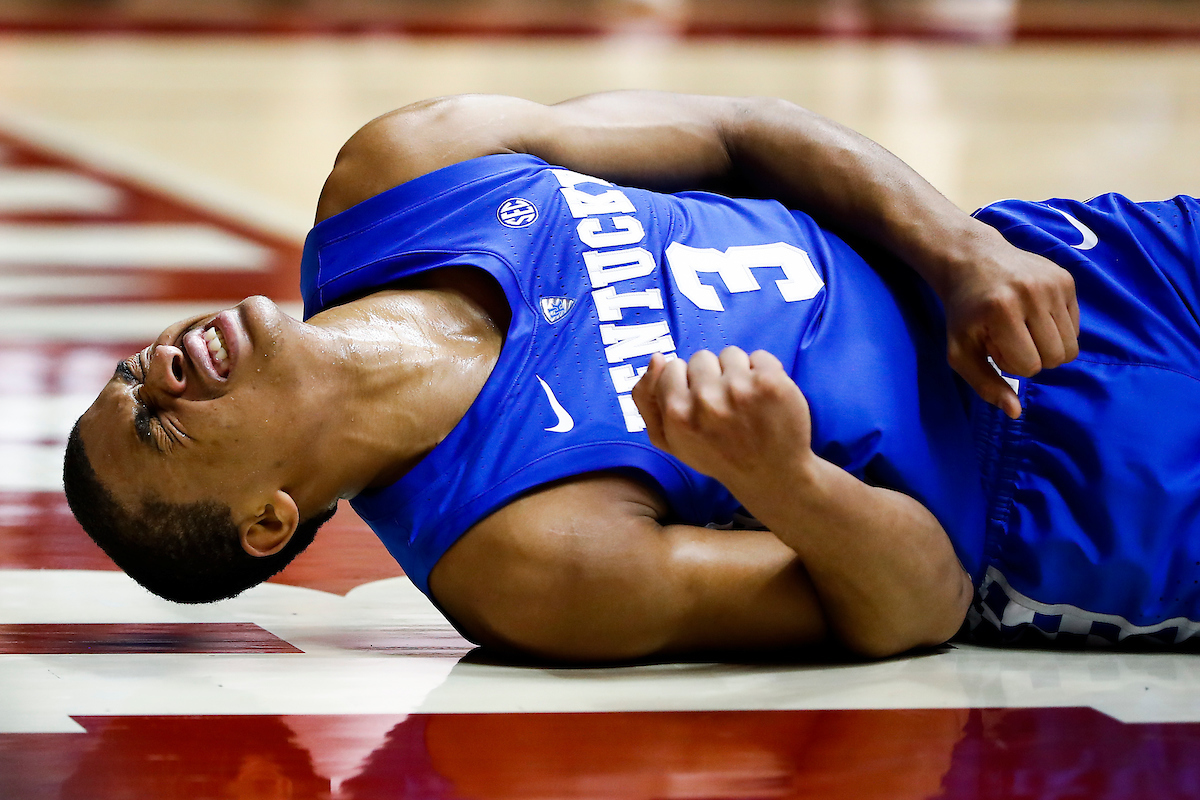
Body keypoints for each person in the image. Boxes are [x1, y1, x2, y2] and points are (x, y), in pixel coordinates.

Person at [64, 92, 1199, 662]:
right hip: (1066, 498)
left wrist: (958, 248)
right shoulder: (523, 558)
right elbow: (927, 602)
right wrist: (787, 478)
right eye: (155, 424)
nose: (155, 371)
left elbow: (741, 130)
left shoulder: (400, 173)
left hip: (1067, 266)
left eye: (126, 375)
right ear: (270, 520)